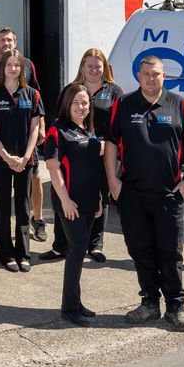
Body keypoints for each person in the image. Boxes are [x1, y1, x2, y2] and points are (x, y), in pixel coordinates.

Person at [105, 55, 184, 332]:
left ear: (164, 76)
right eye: (146, 73)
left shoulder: (180, 104)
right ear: (138, 75)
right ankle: (149, 303)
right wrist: (113, 181)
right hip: (132, 194)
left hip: (169, 195)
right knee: (140, 250)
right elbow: (111, 143)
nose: (150, 78)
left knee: (171, 252)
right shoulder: (123, 104)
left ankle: (175, 307)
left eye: (156, 74)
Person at [47, 48, 120, 265]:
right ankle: (60, 246)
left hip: (103, 151)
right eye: (90, 66)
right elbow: (58, 118)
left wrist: (108, 144)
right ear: (82, 67)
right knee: (63, 194)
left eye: (99, 66)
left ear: (105, 68)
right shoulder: (71, 90)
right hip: (74, 148)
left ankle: (94, 245)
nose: (94, 70)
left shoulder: (114, 91)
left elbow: (119, 124)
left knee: (101, 198)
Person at [43, 83, 107, 325]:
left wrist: (100, 199)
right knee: (77, 250)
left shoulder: (87, 131)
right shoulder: (57, 130)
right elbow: (53, 169)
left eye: (85, 103)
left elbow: (94, 170)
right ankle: (69, 309)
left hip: (90, 201)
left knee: (79, 252)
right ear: (67, 104)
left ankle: (76, 302)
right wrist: (65, 200)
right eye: (76, 103)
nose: (81, 107)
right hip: (70, 203)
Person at [0, 27, 46, 241]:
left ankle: (37, 219)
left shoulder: (27, 64)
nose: (6, 43)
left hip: (25, 136)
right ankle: (2, 225)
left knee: (34, 177)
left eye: (9, 40)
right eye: (2, 40)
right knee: (0, 180)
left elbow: (36, 96)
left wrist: (42, 125)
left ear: (15, 41)